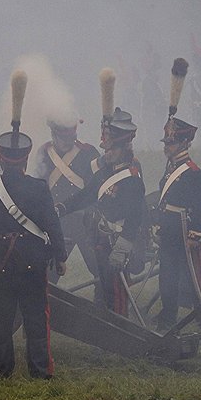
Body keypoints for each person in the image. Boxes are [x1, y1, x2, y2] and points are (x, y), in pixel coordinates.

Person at [0, 71, 67, 379]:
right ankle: (39, 371)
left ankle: (1, 370)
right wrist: (60, 256)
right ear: (24, 160)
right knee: (37, 318)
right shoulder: (38, 188)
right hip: (34, 263)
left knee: (1, 319)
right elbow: (52, 225)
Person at [57, 107, 146, 317]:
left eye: (111, 149)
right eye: (106, 149)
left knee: (117, 292)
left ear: (123, 148)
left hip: (116, 242)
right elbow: (86, 195)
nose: (107, 153)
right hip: (100, 240)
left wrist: (123, 248)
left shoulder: (132, 179)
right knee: (106, 287)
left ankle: (122, 329)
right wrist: (62, 207)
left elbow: (135, 217)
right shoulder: (106, 172)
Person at [154, 58, 201, 331]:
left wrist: (194, 235)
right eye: (167, 141)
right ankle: (168, 313)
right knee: (166, 274)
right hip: (167, 227)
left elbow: (197, 208)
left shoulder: (193, 173)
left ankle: (200, 315)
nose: (168, 146)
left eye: (172, 142)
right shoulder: (171, 167)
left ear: (185, 142)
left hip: (182, 229)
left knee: (186, 276)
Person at [31, 115, 101, 283]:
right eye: (63, 138)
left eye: (70, 137)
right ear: (54, 135)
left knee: (100, 268)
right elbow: (39, 186)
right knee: (51, 271)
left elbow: (97, 187)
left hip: (86, 221)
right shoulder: (44, 153)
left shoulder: (88, 152)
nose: (67, 142)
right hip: (58, 221)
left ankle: (103, 304)